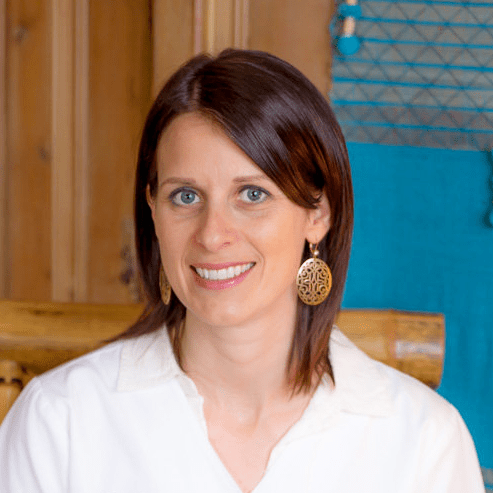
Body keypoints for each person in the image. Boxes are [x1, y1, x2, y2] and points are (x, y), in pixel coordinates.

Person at [0, 49, 485, 493]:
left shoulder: (424, 444)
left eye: (252, 195)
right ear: (153, 209)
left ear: (318, 214)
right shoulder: (58, 422)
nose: (213, 234)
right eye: (185, 196)